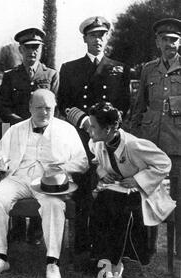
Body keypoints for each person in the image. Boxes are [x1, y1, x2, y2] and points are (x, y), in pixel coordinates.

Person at [0, 89, 88, 278]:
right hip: (19, 177)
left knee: (54, 204)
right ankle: (0, 257)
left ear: (55, 108)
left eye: (48, 108)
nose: (44, 112)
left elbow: (82, 162)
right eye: (39, 107)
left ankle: (52, 262)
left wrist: (62, 168)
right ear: (30, 107)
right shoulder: (16, 129)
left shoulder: (67, 130)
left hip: (51, 183)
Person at [58, 16, 131, 261]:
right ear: (85, 39)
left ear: (106, 38)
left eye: (102, 35)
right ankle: (80, 248)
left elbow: (124, 104)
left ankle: (106, 249)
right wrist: (85, 122)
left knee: (108, 191)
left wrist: (106, 125)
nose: (97, 40)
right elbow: (64, 102)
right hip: (81, 137)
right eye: (93, 35)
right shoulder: (70, 68)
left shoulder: (119, 68)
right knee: (82, 192)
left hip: (109, 140)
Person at [88, 102, 175, 278]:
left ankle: (116, 261)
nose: (89, 130)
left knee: (118, 207)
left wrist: (138, 180)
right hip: (116, 190)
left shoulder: (134, 145)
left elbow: (165, 163)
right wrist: (103, 173)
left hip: (143, 192)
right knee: (100, 204)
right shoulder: (95, 142)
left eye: (94, 126)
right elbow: (97, 161)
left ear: (109, 129)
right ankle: (103, 258)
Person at [0, 27, 59, 244]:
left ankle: (36, 229)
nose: (32, 52)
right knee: (15, 176)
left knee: (39, 178)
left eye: (36, 48)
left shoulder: (51, 75)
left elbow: (55, 109)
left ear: (41, 50)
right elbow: (2, 107)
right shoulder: (10, 76)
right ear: (20, 50)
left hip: (43, 138)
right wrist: (22, 124)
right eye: (28, 48)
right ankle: (17, 228)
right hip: (18, 137)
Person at [131, 18, 181, 258]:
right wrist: (133, 142)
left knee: (179, 198)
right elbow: (138, 107)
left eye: (174, 40)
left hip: (178, 146)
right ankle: (146, 250)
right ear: (157, 42)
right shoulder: (148, 70)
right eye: (165, 40)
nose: (170, 44)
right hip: (151, 145)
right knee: (147, 195)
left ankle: (180, 252)